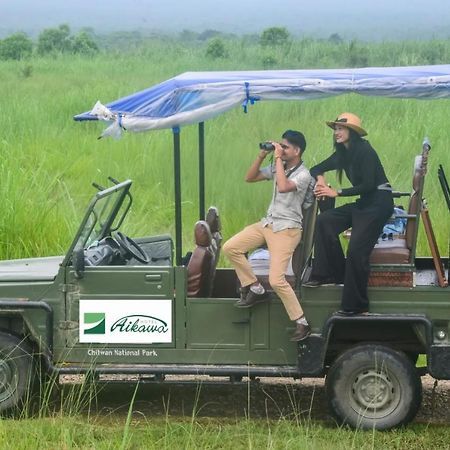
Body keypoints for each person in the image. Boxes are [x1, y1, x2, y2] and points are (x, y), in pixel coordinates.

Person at [222, 130, 315, 341]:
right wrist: (262, 155)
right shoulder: (278, 166)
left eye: (286, 147)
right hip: (268, 223)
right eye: (280, 145)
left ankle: (301, 322)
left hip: (288, 229)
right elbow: (250, 177)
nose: (281, 149)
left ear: (297, 151)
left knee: (276, 279)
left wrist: (278, 160)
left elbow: (283, 187)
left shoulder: (303, 174)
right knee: (231, 247)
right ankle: (255, 288)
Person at [305, 112, 393, 315]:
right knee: (325, 221)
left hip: (378, 203)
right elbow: (316, 167)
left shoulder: (365, 150)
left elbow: (369, 185)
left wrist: (337, 192)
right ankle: (329, 274)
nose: (337, 132)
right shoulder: (342, 153)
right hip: (364, 204)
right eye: (335, 129)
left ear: (352, 132)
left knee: (356, 252)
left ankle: (357, 305)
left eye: (341, 128)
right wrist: (320, 181)